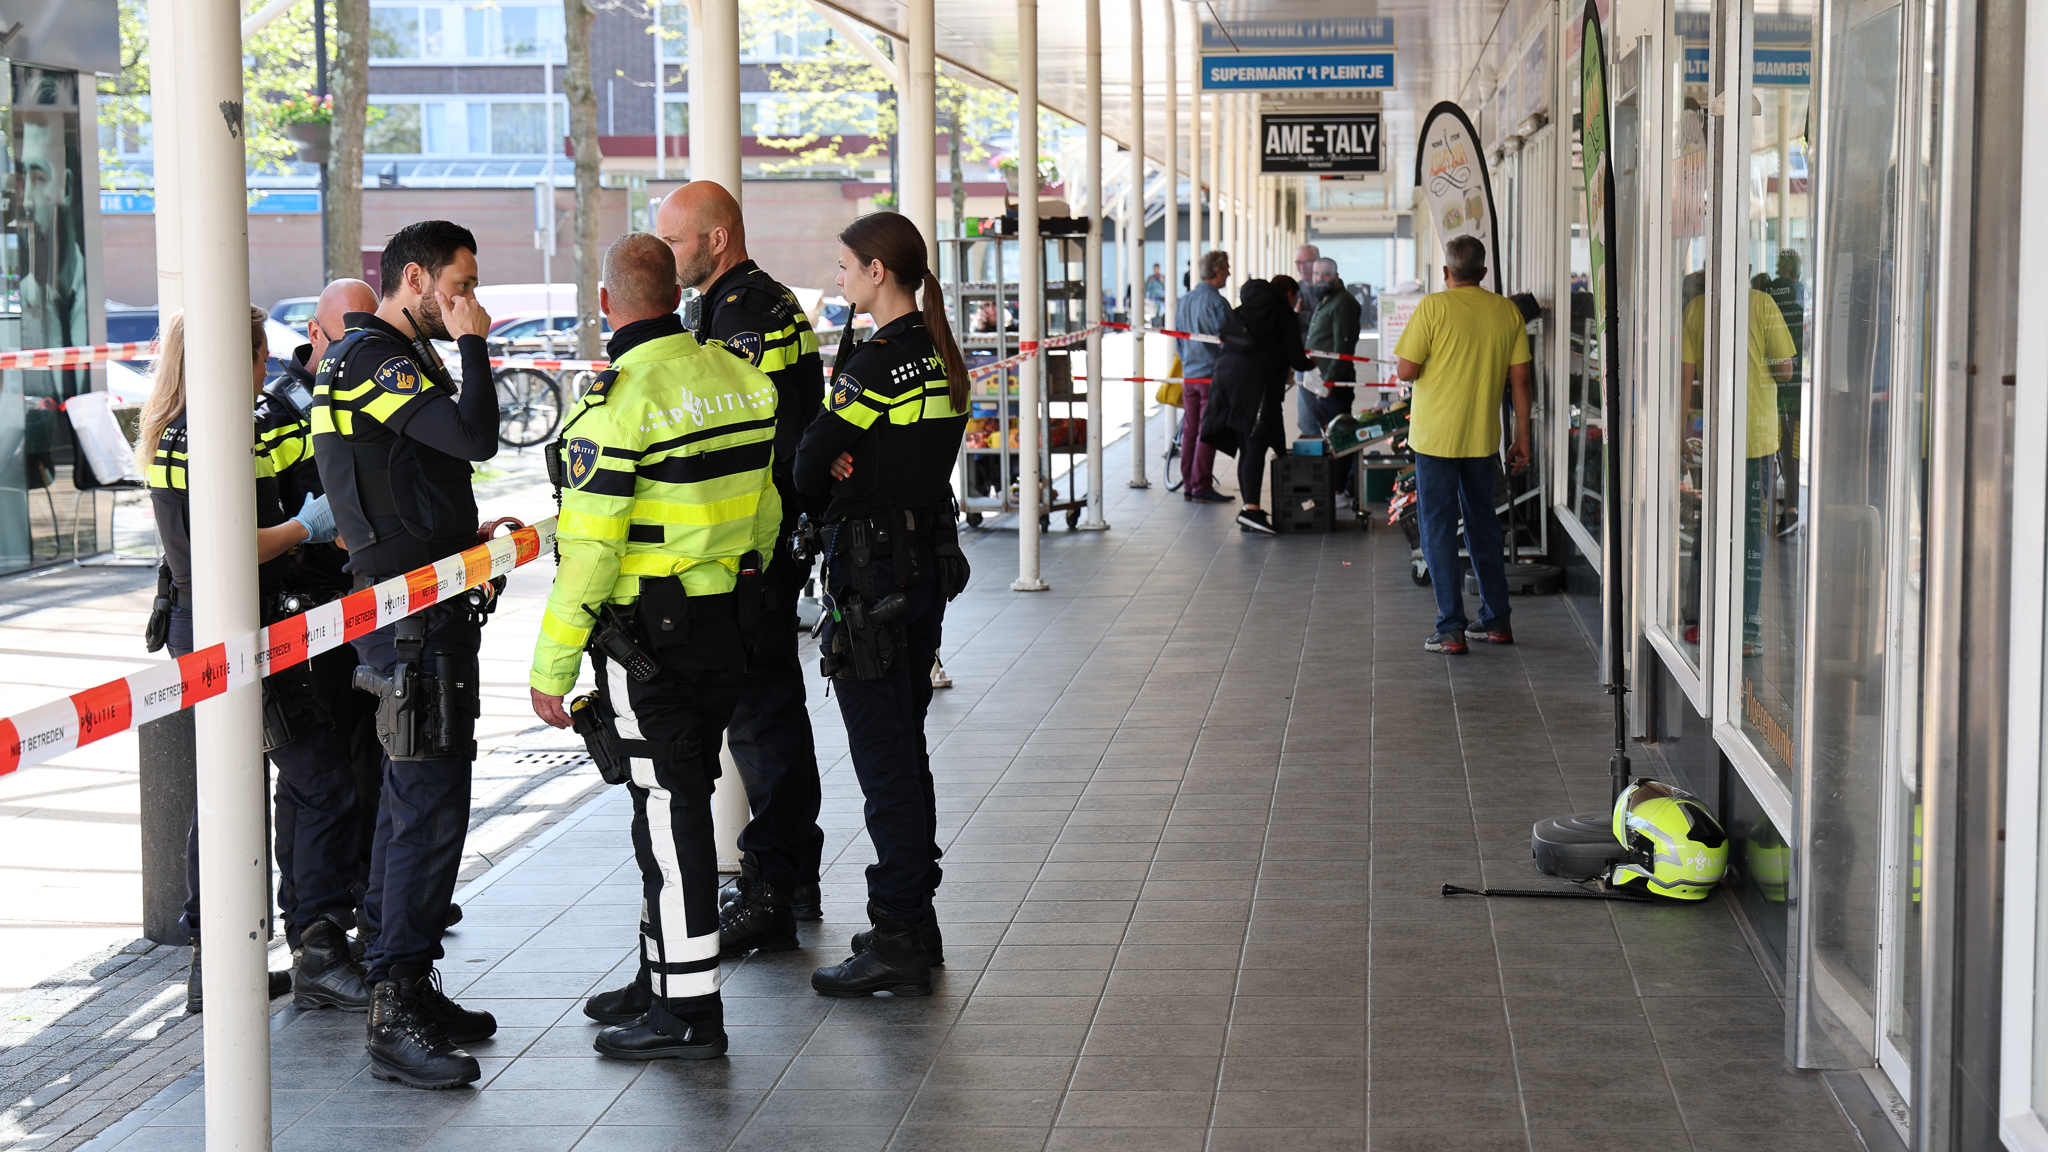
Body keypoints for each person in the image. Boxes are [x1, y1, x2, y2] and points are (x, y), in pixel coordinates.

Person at [530, 232, 783, 1061]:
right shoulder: (742, 380)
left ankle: (690, 1013)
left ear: (608, 305)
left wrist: (552, 666)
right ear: (674, 295)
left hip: (650, 644)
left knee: (672, 819)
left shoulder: (616, 405)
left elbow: (594, 550)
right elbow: (768, 514)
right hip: (726, 628)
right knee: (664, 806)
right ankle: (660, 976)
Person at [312, 220, 501, 1090]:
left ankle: (407, 979)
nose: (470, 300)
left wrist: (467, 537)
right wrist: (472, 348)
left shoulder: (391, 356)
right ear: (416, 278)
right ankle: (395, 1006)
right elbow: (473, 439)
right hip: (406, 617)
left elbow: (420, 472)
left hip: (424, 601)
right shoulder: (370, 358)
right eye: (458, 285)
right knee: (426, 801)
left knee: (414, 797)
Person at [136, 306, 354, 1015]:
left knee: (241, 786)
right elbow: (219, 551)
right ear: (244, 357)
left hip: (267, 622)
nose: (269, 369)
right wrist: (306, 527)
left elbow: (304, 484)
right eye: (261, 356)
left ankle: (223, 958)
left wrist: (324, 527)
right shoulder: (190, 437)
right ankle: (311, 949)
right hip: (221, 632)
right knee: (314, 776)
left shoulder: (259, 418)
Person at [795, 212, 972, 997]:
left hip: (872, 581)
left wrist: (838, 463)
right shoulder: (937, 354)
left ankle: (898, 928)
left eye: (843, 267)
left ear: (876, 271)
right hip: (921, 574)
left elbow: (805, 463)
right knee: (906, 748)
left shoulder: (876, 362)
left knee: (885, 762)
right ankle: (913, 919)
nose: (838, 280)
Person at [654, 182, 828, 952]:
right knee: (767, 714)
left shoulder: (744, 315)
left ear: (717, 240)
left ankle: (775, 884)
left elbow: (734, 438)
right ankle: (788, 875)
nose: (666, 256)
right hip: (765, 540)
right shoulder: (755, 302)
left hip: (757, 550)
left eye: (676, 242)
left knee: (765, 719)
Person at [275, 280, 392, 937]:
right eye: (345, 335)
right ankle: (314, 922)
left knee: (364, 756)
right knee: (317, 778)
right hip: (308, 608)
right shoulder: (284, 408)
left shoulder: (362, 389)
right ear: (315, 335)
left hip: (360, 601)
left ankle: (366, 891)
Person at [1394, 236, 1533, 653]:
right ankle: (1497, 621)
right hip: (1480, 439)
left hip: (1434, 439)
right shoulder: (1507, 311)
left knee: (1437, 528)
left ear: (1446, 272)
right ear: (1484, 273)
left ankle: (1451, 628)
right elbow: (1521, 380)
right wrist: (1522, 437)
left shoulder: (1433, 307)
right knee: (1483, 525)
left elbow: (1406, 369)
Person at [1681, 273, 1796, 656]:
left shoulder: (1696, 308)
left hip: (1712, 440)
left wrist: (1681, 431)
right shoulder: (1764, 305)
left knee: (1708, 525)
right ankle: (1746, 631)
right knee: (1751, 536)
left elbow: (1686, 377)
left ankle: (1698, 620)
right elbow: (1785, 371)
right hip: (1755, 439)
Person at [1201, 274, 1313, 535]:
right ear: (1289, 294)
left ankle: (1249, 510)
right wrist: (1311, 364)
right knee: (1256, 446)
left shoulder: (1244, 310)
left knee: (1245, 445)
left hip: (1225, 379)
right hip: (1255, 386)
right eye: (1295, 298)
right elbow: (1297, 359)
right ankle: (1251, 510)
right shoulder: (1283, 314)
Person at [1172, 250, 1233, 504]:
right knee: (1207, 431)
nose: (1229, 273)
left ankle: (1188, 484)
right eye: (1227, 268)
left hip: (1189, 376)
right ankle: (1201, 485)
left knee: (1190, 431)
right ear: (1217, 271)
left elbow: (1177, 340)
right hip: (1212, 376)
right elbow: (1230, 339)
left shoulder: (1184, 301)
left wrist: (1188, 362)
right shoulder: (1218, 303)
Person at [1300, 257, 1362, 438]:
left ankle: (1347, 468)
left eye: (1326, 274)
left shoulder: (1343, 302)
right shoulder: (1325, 299)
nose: (1320, 278)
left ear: (1336, 276)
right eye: (1316, 274)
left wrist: (1330, 381)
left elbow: (1343, 346)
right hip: (1319, 381)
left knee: (1341, 438)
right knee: (1329, 435)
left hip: (1333, 384)